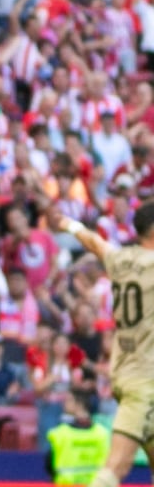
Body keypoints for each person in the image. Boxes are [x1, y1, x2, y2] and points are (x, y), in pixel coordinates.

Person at [59, 206, 154, 487]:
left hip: (124, 372)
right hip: (145, 381)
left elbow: (94, 242)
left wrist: (70, 225)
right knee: (116, 467)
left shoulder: (120, 259)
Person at [46, 390, 110, 486]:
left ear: (79, 404)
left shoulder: (60, 433)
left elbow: (49, 465)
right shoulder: (102, 433)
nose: (65, 403)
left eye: (69, 400)